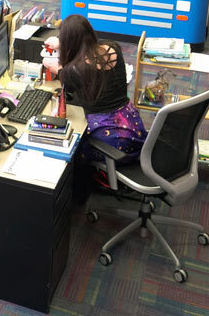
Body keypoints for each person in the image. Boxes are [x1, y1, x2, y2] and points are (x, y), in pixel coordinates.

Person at [44, 15, 146, 189]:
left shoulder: (73, 71)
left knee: (66, 145)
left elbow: (67, 83)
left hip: (113, 146)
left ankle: (82, 189)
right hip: (135, 132)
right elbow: (92, 60)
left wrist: (58, 69)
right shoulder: (112, 49)